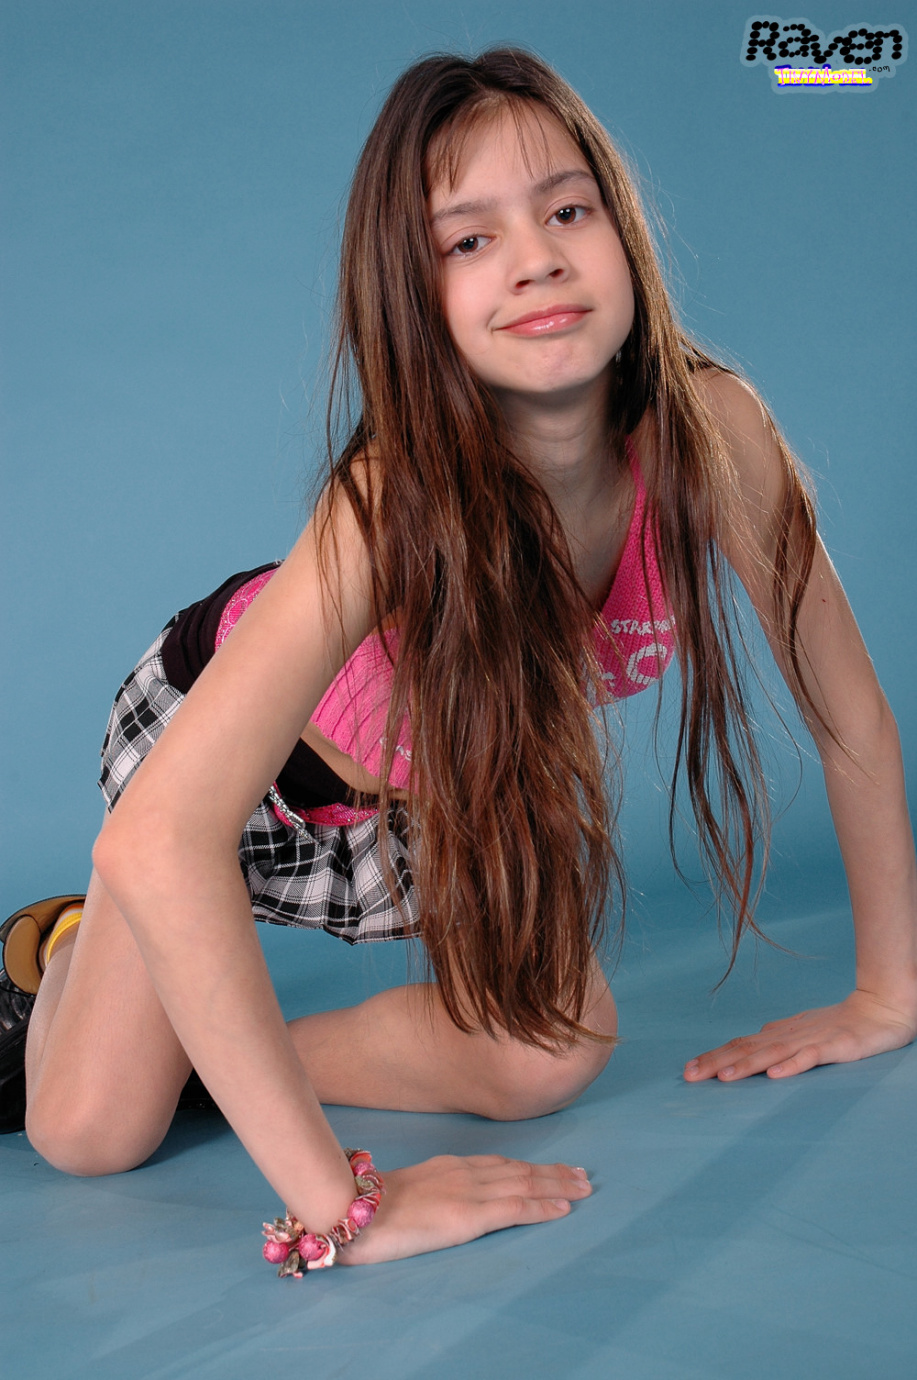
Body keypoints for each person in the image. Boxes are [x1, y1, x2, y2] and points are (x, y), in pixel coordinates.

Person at [2, 48, 915, 1271]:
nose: (534, 258)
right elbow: (159, 838)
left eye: (565, 211)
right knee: (87, 1135)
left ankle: (205, 1058)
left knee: (546, 1057)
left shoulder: (714, 437)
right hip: (240, 775)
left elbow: (847, 715)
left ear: (624, 231)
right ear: (410, 291)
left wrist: (885, 996)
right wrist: (342, 1207)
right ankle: (69, 947)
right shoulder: (388, 502)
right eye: (468, 239)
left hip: (447, 787)